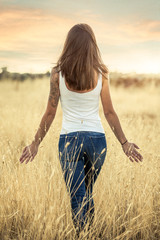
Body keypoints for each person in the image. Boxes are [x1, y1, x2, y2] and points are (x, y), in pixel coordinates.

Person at [19, 23, 143, 235]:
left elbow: (50, 112)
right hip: (97, 141)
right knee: (86, 193)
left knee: (78, 196)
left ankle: (82, 235)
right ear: (92, 45)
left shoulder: (57, 73)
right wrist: (124, 143)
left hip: (69, 141)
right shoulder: (102, 72)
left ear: (69, 45)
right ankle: (90, 234)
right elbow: (109, 112)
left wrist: (35, 143)